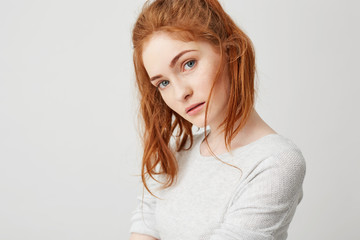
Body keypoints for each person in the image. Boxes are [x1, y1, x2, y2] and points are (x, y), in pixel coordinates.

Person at [129, 0, 306, 239]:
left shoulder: (276, 162)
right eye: (163, 83)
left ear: (229, 51)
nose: (180, 93)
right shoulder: (177, 150)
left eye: (188, 64)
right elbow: (145, 225)